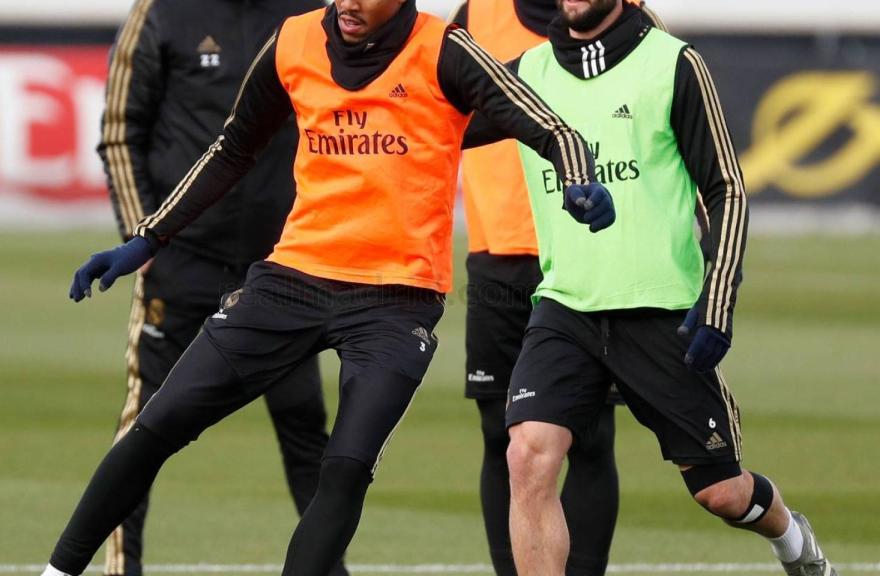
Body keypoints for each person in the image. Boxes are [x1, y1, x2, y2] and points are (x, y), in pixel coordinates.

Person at [40, 1, 614, 574]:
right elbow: (233, 146)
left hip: (397, 299)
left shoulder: (445, 50)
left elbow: (552, 127)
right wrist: (148, 238)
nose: (347, 3)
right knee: (155, 428)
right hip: (292, 280)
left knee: (342, 469)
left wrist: (579, 177)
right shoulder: (294, 41)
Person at [466, 1, 837, 574]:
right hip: (566, 306)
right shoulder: (527, 75)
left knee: (722, 494)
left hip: (662, 313)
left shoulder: (674, 64)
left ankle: (790, 535)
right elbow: (431, 123)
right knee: (527, 456)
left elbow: (727, 190)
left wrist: (718, 298)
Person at [93, 1, 344, 576]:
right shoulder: (161, 11)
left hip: (283, 266)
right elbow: (118, 132)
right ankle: (120, 568)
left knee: (306, 427)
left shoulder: (311, 14)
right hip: (183, 261)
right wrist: (146, 240)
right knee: (146, 428)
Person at [450, 1, 663, 574]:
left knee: (590, 439)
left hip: (590, 256)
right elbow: (441, 110)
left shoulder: (626, 15)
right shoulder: (476, 12)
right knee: (503, 439)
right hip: (497, 255)